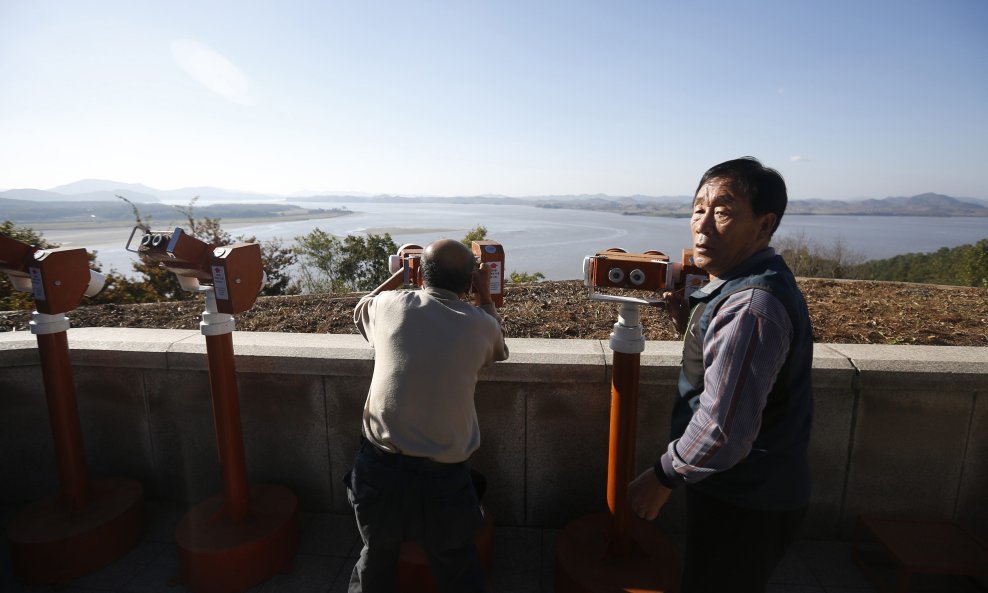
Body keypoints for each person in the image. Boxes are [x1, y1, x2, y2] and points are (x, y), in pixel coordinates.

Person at [628, 157, 814, 593]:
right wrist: (688, 323)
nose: (703, 226)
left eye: (724, 211)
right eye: (698, 209)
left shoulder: (750, 306)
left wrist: (662, 475)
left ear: (764, 225)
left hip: (746, 500)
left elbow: (722, 427)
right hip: (753, 491)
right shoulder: (749, 283)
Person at [345, 238, 509, 593]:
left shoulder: (389, 306)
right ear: (468, 282)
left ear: (420, 275)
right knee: (456, 566)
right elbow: (500, 349)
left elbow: (361, 307)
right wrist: (484, 294)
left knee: (376, 558)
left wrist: (402, 273)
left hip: (378, 469)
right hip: (444, 479)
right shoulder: (479, 324)